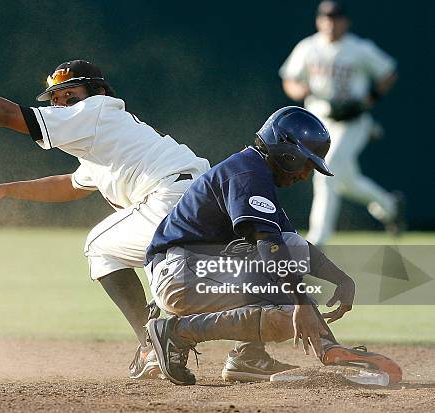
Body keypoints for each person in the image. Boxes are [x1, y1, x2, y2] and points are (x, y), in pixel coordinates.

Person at [0, 59, 210, 379]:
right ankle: (248, 352)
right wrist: (7, 190)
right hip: (204, 198)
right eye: (55, 98)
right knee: (214, 278)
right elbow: (70, 185)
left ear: (97, 91)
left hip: (170, 198)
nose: (61, 103)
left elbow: (7, 115)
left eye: (70, 94)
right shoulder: (104, 134)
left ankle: (152, 344)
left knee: (99, 247)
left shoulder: (94, 111)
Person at [142, 106, 401, 385]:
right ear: (287, 154)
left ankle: (249, 357)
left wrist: (341, 279)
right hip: (179, 274)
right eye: (305, 163)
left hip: (197, 267)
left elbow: (292, 246)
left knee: (288, 260)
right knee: (285, 313)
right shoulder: (247, 176)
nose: (305, 175)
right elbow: (271, 249)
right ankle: (177, 333)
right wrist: (301, 303)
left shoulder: (255, 172)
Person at [279, 0, 402, 246]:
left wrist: (368, 100)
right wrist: (302, 90)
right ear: (318, 20)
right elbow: (289, 79)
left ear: (345, 21)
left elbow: (389, 73)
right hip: (319, 122)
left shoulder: (358, 48)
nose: (331, 22)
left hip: (352, 122)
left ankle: (317, 239)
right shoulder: (308, 47)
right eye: (326, 17)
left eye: (336, 17)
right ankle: (389, 205)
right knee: (344, 180)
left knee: (326, 169)